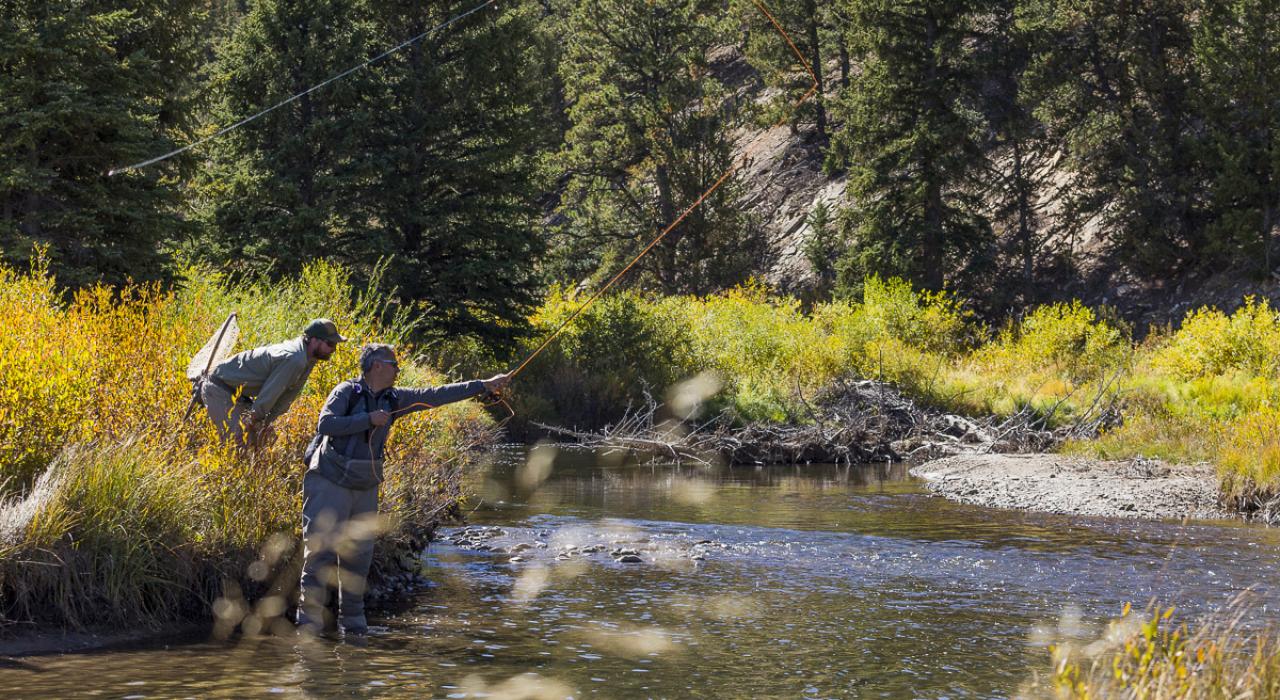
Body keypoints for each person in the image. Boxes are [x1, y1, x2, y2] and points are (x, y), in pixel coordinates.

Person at [296, 343, 510, 636]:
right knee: (320, 555)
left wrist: (483, 385)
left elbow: (436, 396)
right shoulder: (347, 391)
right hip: (328, 480)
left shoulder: (394, 399)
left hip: (365, 485)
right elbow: (327, 423)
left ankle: (354, 628)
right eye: (394, 364)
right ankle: (308, 629)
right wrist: (368, 420)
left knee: (359, 558)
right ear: (377, 366)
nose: (398, 369)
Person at [201, 318, 344, 448]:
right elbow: (270, 393)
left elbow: (288, 396)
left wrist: (265, 422)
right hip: (219, 388)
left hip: (238, 394)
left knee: (266, 440)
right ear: (314, 340)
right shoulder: (295, 359)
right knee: (239, 444)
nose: (333, 349)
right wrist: (253, 419)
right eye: (330, 343)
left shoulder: (309, 359)